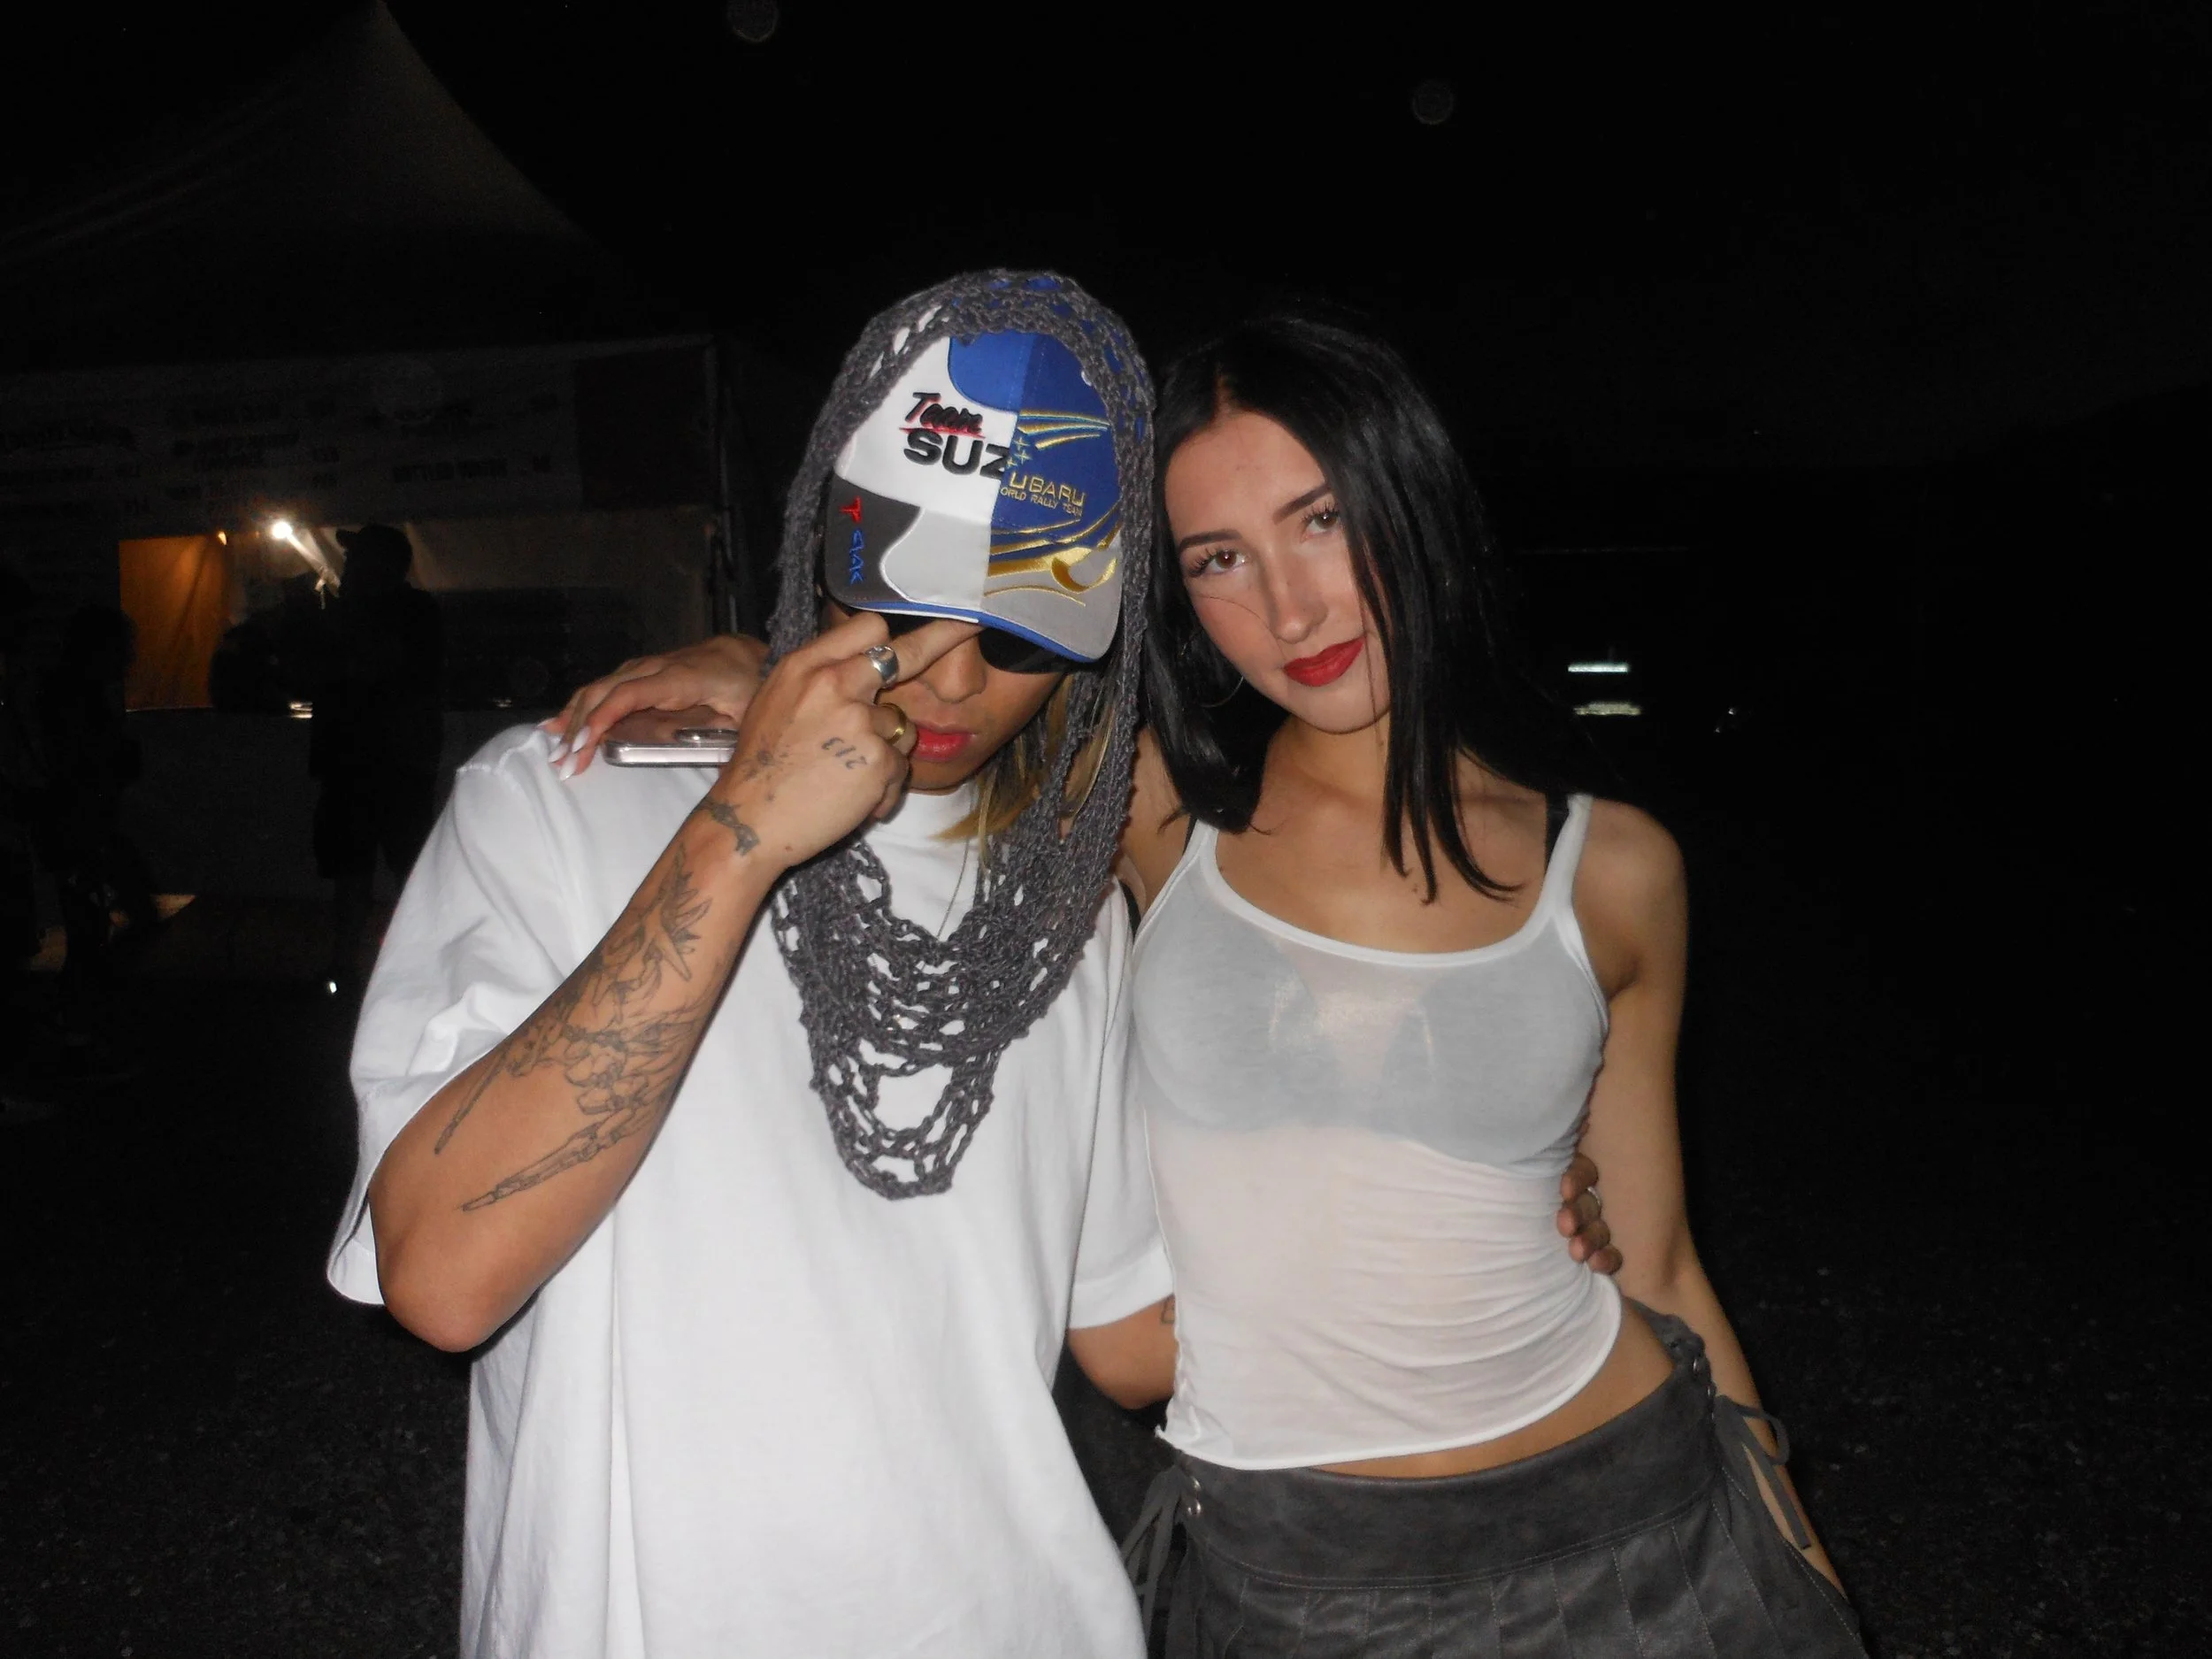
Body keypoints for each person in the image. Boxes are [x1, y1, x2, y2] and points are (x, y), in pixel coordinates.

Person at [552, 316, 1862, 1656]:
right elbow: (948, 694)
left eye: (1322, 519)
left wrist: (1806, 1571)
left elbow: (1657, 1257)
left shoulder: (1616, 867)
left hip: (1626, 1525)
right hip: (1292, 1572)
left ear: (1412, 500)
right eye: (1219, 559)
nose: (1290, 609)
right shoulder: (1156, 814)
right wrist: (760, 656)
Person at [309, 522, 443, 995]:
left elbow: (380, 673)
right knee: (360, 869)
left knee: (397, 869)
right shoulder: (384, 613)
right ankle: (354, 964)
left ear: (380, 565)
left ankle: (404, 966)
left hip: (389, 766)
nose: (347, 567)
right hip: (368, 766)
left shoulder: (410, 614)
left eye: (356, 559)